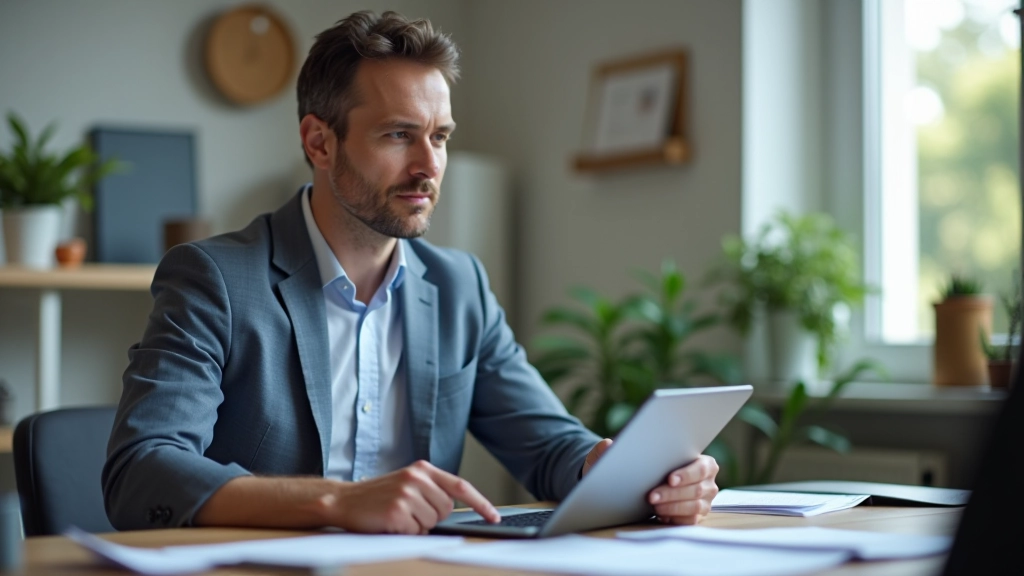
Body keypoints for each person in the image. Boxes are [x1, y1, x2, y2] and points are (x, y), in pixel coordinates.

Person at [102, 10, 719, 535]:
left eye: (440, 137)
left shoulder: (460, 288)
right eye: (399, 135)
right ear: (319, 143)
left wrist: (631, 473)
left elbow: (551, 446)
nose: (429, 166)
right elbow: (144, 468)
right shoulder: (215, 278)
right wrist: (339, 502)